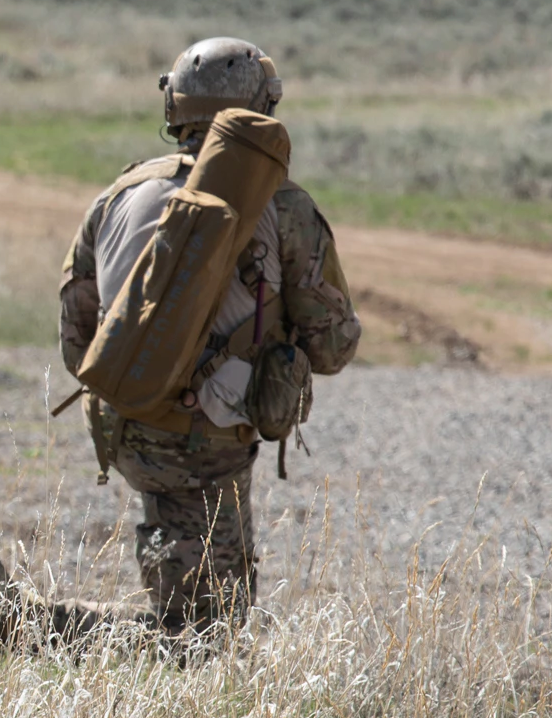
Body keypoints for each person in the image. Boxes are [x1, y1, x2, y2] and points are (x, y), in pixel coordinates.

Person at [57, 39, 360, 636]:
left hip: (124, 424)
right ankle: (5, 621)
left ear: (175, 106)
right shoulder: (285, 207)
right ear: (262, 108)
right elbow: (333, 346)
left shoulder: (116, 196)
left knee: (204, 606)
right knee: (206, 633)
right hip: (212, 441)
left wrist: (151, 376)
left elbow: (75, 341)